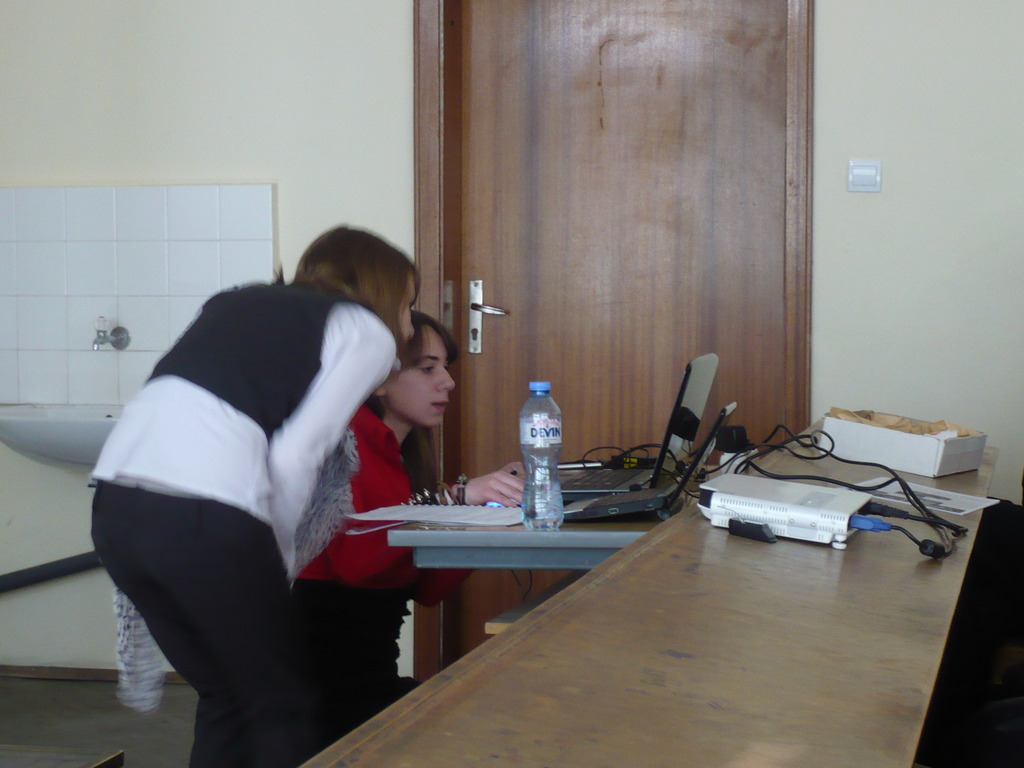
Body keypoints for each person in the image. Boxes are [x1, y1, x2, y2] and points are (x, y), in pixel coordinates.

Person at [90, 226, 418, 768]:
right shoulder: (367, 334)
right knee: (279, 704)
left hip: (117, 511)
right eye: (407, 306)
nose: (407, 327)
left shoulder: (236, 301)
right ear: (383, 295)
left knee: (231, 695)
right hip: (204, 512)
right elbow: (297, 456)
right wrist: (275, 571)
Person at [293, 310, 522, 740]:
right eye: (428, 368)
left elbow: (427, 590)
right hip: (322, 690)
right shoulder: (346, 440)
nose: (448, 382)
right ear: (380, 377)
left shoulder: (403, 456)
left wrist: (486, 520)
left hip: (366, 675)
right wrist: (452, 502)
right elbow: (356, 565)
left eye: (446, 368)